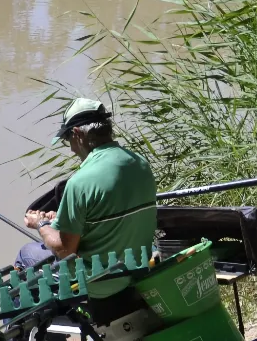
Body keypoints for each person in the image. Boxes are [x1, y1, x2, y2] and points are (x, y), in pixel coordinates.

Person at [23, 98, 157, 325]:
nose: (72, 148)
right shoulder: (140, 164)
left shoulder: (81, 182)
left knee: (26, 254)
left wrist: (41, 224)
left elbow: (65, 250)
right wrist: (60, 220)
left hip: (100, 283)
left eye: (67, 140)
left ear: (78, 134)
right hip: (137, 268)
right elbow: (108, 220)